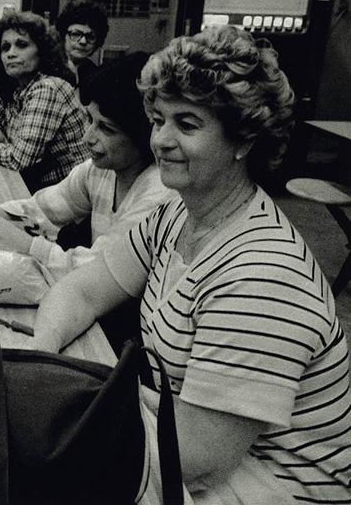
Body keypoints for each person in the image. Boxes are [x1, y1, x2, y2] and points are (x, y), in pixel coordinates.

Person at [33, 25, 351, 502]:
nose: (160, 139)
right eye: (158, 118)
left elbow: (198, 456)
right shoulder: (176, 213)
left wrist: (54, 405)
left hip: (270, 486)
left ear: (244, 139)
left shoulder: (263, 276)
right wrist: (39, 362)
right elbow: (81, 291)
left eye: (187, 124)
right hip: (188, 446)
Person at [0, 52, 171, 278]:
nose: (87, 137)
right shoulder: (100, 171)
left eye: (106, 128)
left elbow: (93, 272)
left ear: (143, 134)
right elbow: (40, 209)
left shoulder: (157, 196)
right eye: (90, 121)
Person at [0, 11, 89, 192]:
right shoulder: (18, 88)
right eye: (5, 48)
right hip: (38, 188)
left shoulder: (47, 89)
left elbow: (19, 160)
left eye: (21, 45)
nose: (11, 53)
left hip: (69, 196)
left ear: (42, 50)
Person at [55, 0, 109, 87]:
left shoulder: (93, 72)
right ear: (63, 35)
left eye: (90, 37)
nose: (83, 41)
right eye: (76, 34)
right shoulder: (48, 67)